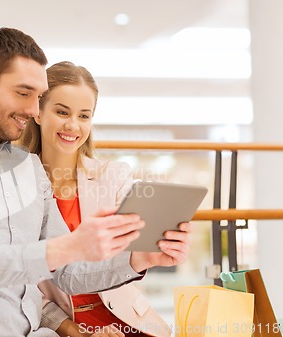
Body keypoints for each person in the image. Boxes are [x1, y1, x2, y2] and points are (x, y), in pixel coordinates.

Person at [0, 28, 189, 337]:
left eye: (38, 96)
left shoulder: (27, 167)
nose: (34, 110)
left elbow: (68, 273)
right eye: (23, 93)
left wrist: (139, 259)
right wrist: (66, 247)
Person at [21, 61, 189, 337]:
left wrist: (163, 242)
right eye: (62, 111)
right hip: (60, 327)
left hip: (124, 319)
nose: (73, 125)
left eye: (84, 116)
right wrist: (78, 333)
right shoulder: (17, 186)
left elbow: (136, 250)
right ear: (38, 112)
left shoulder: (113, 177)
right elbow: (23, 288)